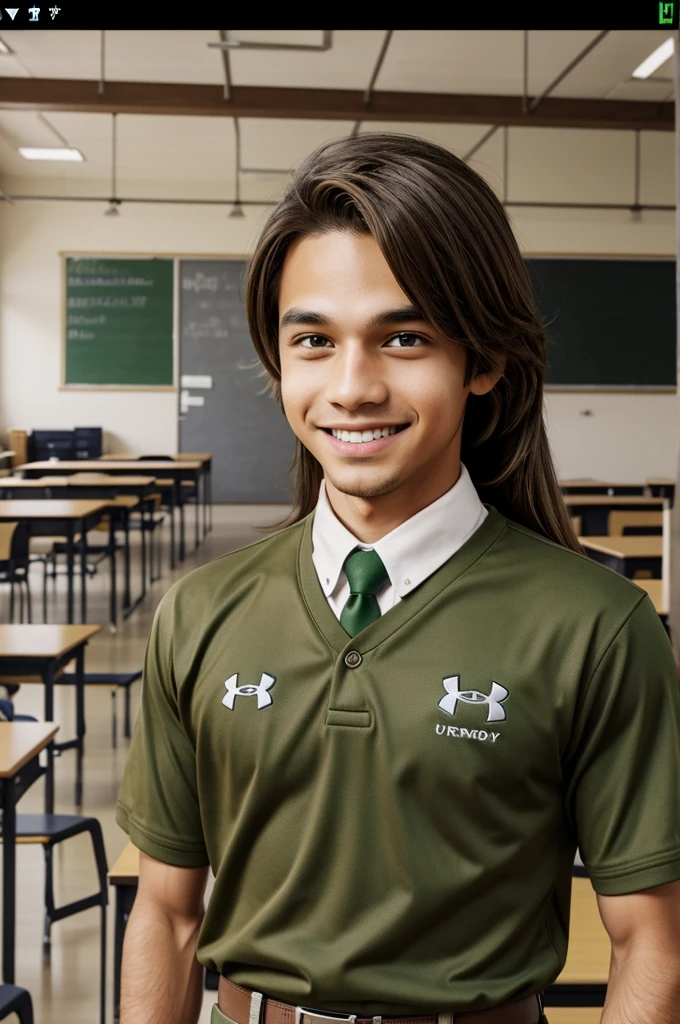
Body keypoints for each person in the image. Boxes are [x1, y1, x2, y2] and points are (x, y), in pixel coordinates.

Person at [116, 133, 680, 1024]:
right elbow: (169, 910)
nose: (352, 386)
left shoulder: (600, 629)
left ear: (484, 361)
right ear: (278, 360)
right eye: (313, 339)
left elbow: (652, 941)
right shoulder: (200, 612)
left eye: (405, 337)